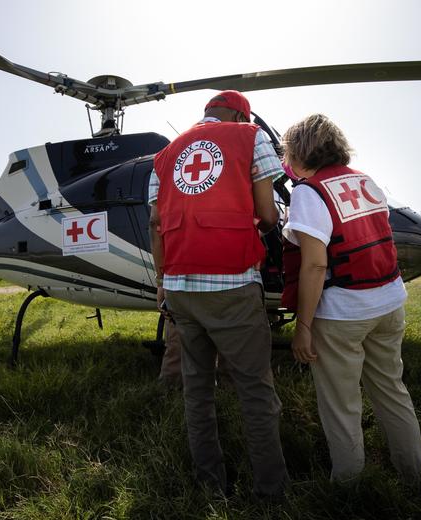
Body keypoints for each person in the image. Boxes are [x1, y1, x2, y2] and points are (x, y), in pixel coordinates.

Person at [149, 90, 290, 499]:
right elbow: (267, 214)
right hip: (231, 284)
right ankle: (271, 492)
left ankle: (211, 487)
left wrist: (162, 279)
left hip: (179, 288)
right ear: (239, 114)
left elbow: (156, 222)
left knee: (197, 392)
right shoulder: (249, 136)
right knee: (255, 391)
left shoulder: (165, 154)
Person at [280, 113, 421, 485]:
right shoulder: (366, 181)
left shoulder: (308, 193)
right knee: (392, 390)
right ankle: (413, 476)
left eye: (287, 152)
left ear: (299, 152)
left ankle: (347, 486)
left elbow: (313, 265)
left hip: (344, 313)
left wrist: (304, 327)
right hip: (390, 302)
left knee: (341, 404)